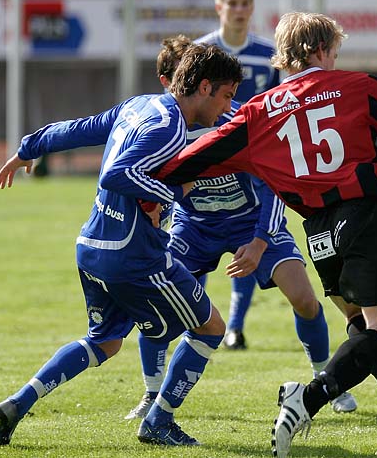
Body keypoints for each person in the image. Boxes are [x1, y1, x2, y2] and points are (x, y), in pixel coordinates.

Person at [153, 12, 377, 458]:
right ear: (320, 51)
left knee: (362, 325)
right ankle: (305, 399)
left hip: (320, 236)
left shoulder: (257, 112)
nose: (336, 58)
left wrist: (145, 184)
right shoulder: (358, 87)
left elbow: (194, 157)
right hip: (366, 217)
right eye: (335, 51)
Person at [0, 44, 244, 447]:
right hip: (133, 255)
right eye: (227, 96)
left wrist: (28, 148)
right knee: (211, 326)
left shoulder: (137, 105)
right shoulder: (170, 126)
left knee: (104, 342)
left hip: (92, 246)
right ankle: (158, 421)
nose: (227, 107)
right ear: (205, 86)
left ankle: (18, 403)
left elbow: (79, 128)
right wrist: (173, 192)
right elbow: (116, 175)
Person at [126, 34, 357, 420]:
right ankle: (152, 395)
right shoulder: (162, 128)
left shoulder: (237, 122)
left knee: (303, 296)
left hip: (250, 222)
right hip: (194, 227)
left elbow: (272, 183)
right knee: (160, 306)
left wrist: (261, 241)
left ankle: (324, 383)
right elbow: (149, 185)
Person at [195, 0, 281, 350]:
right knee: (195, 241)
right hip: (208, 165)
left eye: (245, 3)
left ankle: (235, 326)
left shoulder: (267, 53)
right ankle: (192, 319)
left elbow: (278, 103)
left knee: (249, 240)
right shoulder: (200, 51)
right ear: (219, 7)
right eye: (232, 2)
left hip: (254, 164)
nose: (239, 9)